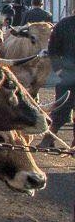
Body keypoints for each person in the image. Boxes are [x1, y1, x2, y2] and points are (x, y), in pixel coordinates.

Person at [45, 11, 75, 146]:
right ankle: (48, 138)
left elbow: (52, 49)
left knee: (61, 107)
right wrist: (59, 68)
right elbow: (52, 49)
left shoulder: (63, 24)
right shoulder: (64, 24)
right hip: (67, 73)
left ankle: (49, 138)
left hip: (66, 73)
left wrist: (58, 69)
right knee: (61, 107)